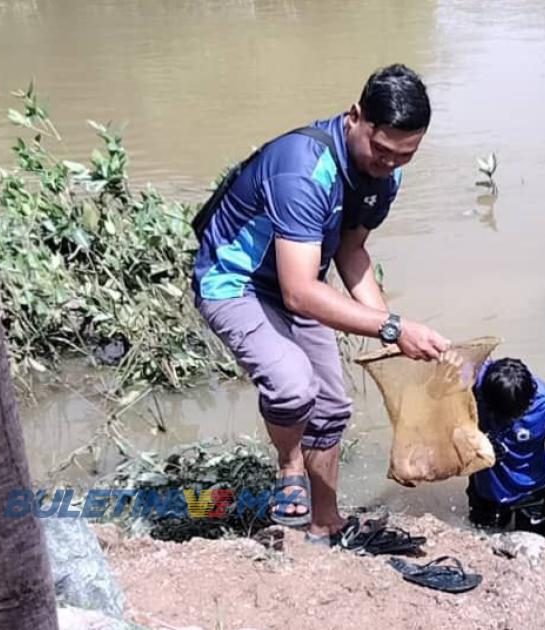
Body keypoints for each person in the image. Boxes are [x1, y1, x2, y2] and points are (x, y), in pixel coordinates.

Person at [191, 64, 450, 547]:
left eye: (405, 156)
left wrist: (393, 335)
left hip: (299, 276)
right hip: (238, 282)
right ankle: (289, 465)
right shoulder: (303, 169)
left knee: (331, 405)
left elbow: (351, 254)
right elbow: (299, 294)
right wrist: (393, 329)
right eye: (381, 149)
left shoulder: (384, 179)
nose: (389, 164)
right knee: (293, 387)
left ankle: (324, 522)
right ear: (355, 117)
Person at [467, 357, 545, 561]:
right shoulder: (479, 380)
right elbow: (453, 365)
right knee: (481, 551)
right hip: (486, 490)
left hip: (534, 495)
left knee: (535, 559)